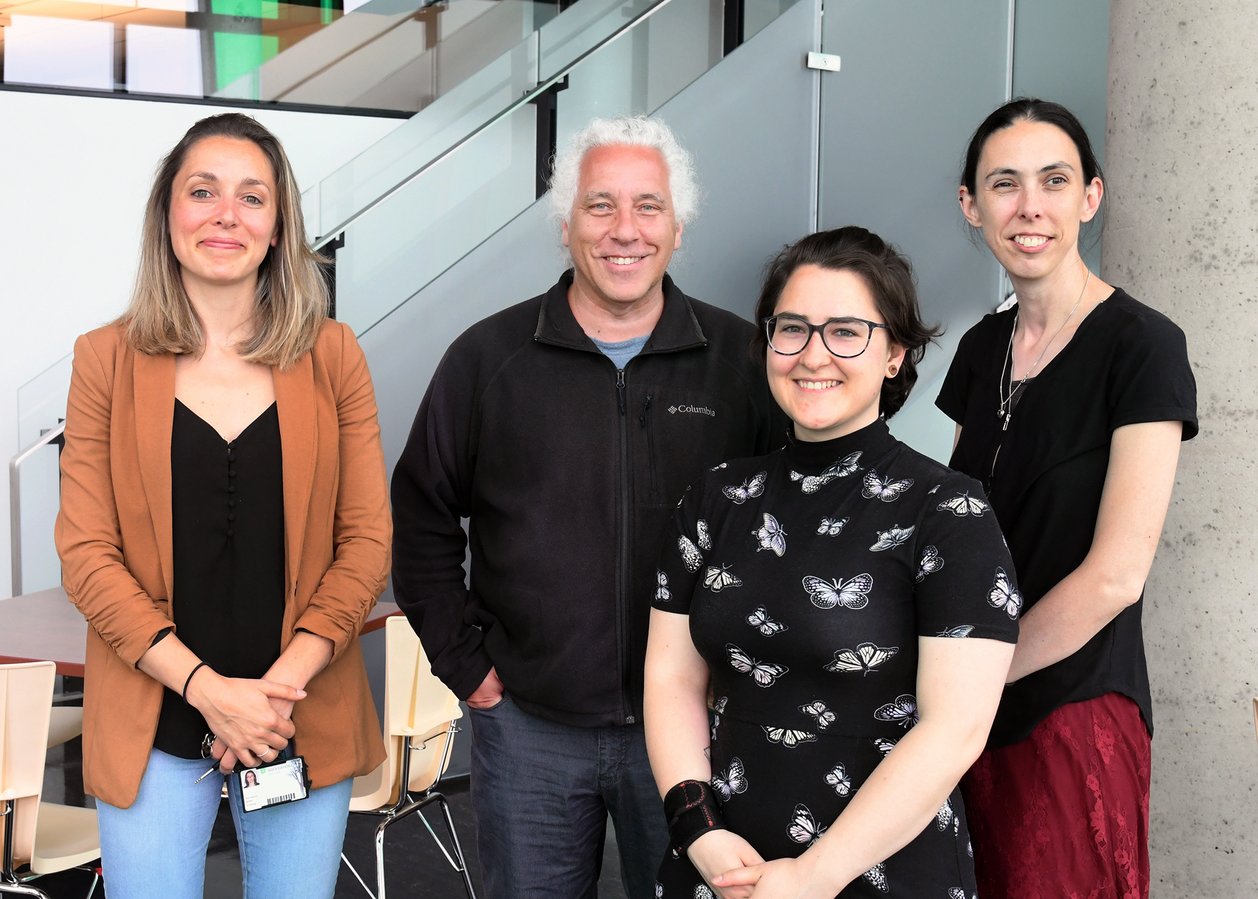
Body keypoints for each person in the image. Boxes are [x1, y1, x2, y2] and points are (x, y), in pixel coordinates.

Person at [390, 115, 783, 898]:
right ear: (565, 224)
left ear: (679, 226)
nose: (624, 230)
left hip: (697, 731)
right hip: (528, 727)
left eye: (649, 206)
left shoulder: (743, 362)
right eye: (600, 205)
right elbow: (423, 515)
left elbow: (794, 524)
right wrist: (471, 670)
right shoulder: (487, 360)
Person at [54, 113, 390, 898]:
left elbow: (368, 541)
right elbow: (86, 554)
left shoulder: (334, 355)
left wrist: (269, 698)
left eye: (252, 197)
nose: (225, 215)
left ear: (278, 227)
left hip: (295, 714)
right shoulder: (103, 359)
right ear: (167, 214)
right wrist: (211, 691)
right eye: (202, 192)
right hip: (156, 719)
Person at [645, 226, 1020, 898]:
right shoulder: (717, 495)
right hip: (724, 867)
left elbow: (955, 727)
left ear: (896, 353)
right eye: (792, 328)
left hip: (883, 869)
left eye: (847, 331)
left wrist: (815, 875)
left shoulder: (949, 511)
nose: (813, 354)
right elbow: (672, 677)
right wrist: (698, 830)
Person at [938, 98, 1198, 898]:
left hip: (1074, 710)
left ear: (1090, 197)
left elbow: (1117, 573)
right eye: (1004, 184)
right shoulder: (983, 348)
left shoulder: (1144, 344)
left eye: (1054, 181)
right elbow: (955, 531)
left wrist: (974, 675)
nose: (1030, 207)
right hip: (969, 719)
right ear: (971, 205)